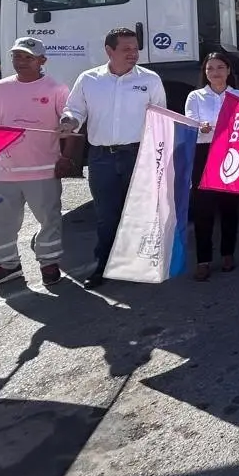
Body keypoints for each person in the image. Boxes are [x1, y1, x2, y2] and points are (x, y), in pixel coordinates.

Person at [58, 27, 166, 289]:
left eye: (135, 48)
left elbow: (161, 118)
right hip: (101, 158)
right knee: (106, 215)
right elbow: (74, 110)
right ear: (109, 51)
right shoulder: (89, 79)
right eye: (126, 49)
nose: (133, 54)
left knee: (138, 214)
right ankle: (103, 266)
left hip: (137, 155)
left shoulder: (150, 80)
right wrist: (69, 121)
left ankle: (138, 267)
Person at [0, 37, 71, 291]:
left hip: (43, 169)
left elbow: (70, 127)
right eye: (17, 56)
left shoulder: (56, 89)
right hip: (5, 170)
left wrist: (66, 158)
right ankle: (7, 266)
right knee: (1, 223)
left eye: (28, 57)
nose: (21, 62)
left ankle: (49, 263)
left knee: (49, 219)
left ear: (42, 61)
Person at [185, 52, 239, 281]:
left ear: (228, 70)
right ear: (205, 72)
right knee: (203, 210)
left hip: (230, 153)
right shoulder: (195, 97)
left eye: (220, 67)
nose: (215, 72)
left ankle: (228, 253)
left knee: (229, 208)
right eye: (210, 68)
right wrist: (200, 126)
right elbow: (191, 122)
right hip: (204, 154)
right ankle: (203, 260)